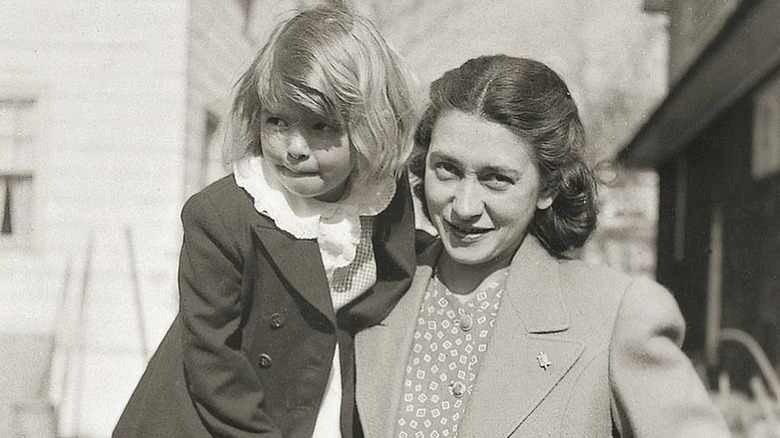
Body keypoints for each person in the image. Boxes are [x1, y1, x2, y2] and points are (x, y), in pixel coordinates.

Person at [354, 55, 731, 437]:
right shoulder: (370, 284)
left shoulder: (617, 314)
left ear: (548, 188)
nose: (464, 206)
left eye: (496, 179)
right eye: (447, 169)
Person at [114, 6, 418, 437]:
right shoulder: (222, 217)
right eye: (277, 121)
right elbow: (214, 363)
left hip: (314, 394)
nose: (294, 147)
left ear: (369, 129)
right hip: (213, 417)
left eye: (321, 126)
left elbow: (396, 276)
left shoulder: (380, 201)